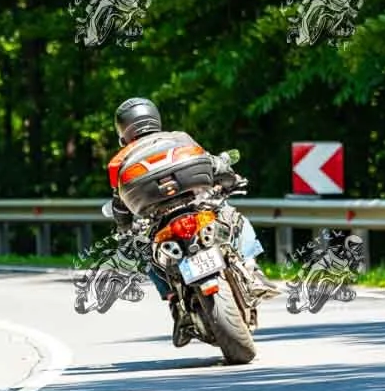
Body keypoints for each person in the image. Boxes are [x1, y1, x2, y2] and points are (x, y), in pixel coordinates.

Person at [105, 97, 280, 345]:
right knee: (235, 219)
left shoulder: (121, 159)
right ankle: (252, 268)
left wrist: (124, 226)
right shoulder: (178, 138)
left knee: (146, 252)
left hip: (160, 222)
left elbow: (120, 203)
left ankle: (174, 303)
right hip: (198, 208)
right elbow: (212, 163)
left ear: (123, 130)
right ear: (154, 118)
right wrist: (232, 179)